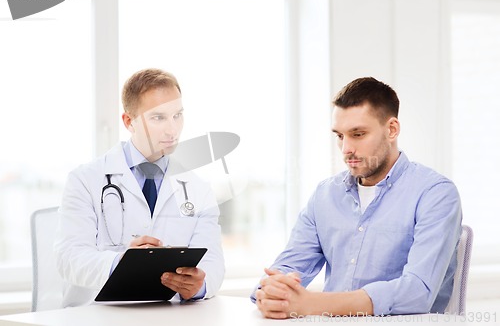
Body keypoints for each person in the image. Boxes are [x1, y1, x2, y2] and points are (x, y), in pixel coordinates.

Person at [251, 77, 462, 318]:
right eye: (340, 136)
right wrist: (270, 291)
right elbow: (288, 266)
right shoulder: (325, 195)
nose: (346, 149)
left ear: (391, 129)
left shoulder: (435, 193)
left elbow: (417, 293)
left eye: (358, 134)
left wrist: (312, 304)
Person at [54, 68, 224, 307]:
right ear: (128, 121)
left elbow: (213, 262)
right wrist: (121, 263)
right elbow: (68, 258)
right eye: (158, 117)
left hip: (169, 316)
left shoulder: (198, 189)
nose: (172, 129)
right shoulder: (85, 179)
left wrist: (199, 286)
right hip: (96, 316)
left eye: (177, 115)